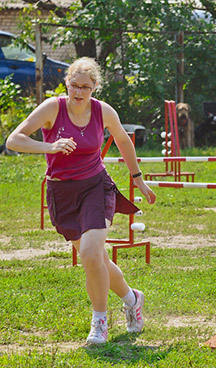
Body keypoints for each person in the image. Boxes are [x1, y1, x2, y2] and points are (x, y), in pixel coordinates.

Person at [7, 57, 156, 345]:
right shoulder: (53, 108)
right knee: (95, 258)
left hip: (95, 187)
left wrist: (138, 178)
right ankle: (132, 298)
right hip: (62, 192)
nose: (78, 92)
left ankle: (99, 323)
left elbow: (124, 141)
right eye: (74, 86)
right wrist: (49, 145)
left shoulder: (103, 111)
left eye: (85, 87)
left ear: (95, 87)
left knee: (90, 253)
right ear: (67, 85)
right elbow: (14, 140)